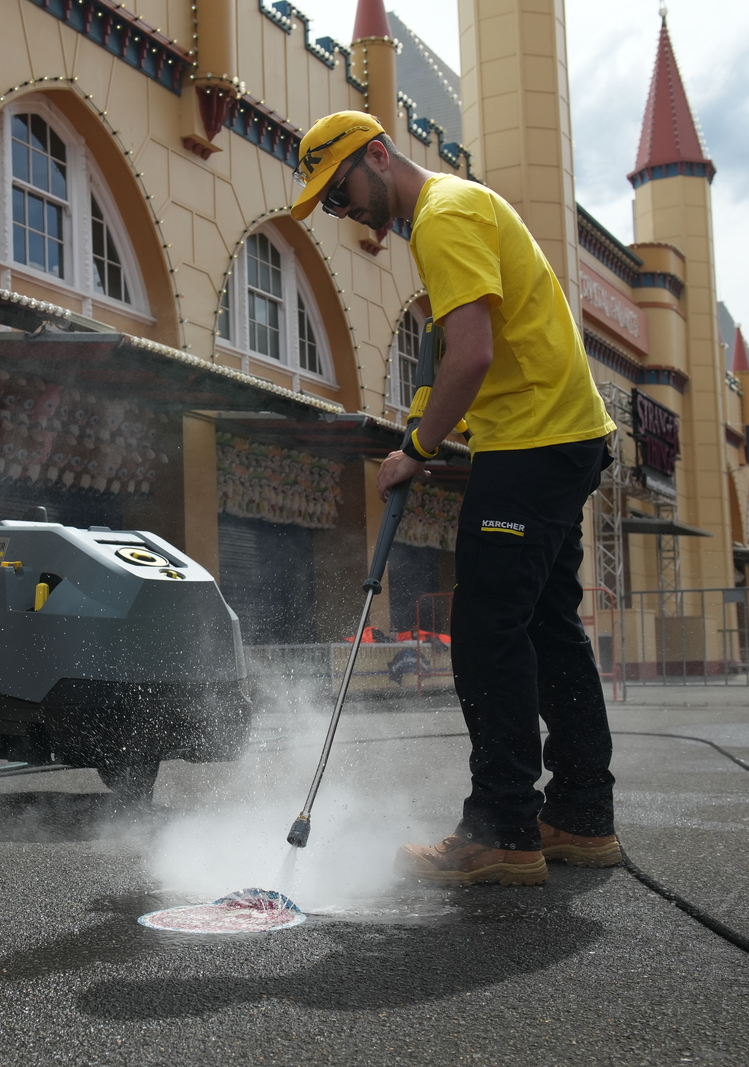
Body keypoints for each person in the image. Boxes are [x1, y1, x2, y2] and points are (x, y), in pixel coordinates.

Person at [291, 111, 622, 887]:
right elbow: (466, 352)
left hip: (533, 439)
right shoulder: (452, 218)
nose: (344, 211)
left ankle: (502, 829)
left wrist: (417, 449)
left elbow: (473, 353)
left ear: (379, 154)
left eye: (341, 191)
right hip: (557, 435)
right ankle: (580, 815)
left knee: (485, 628)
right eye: (330, 205)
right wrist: (429, 410)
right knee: (545, 623)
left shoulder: (443, 214)